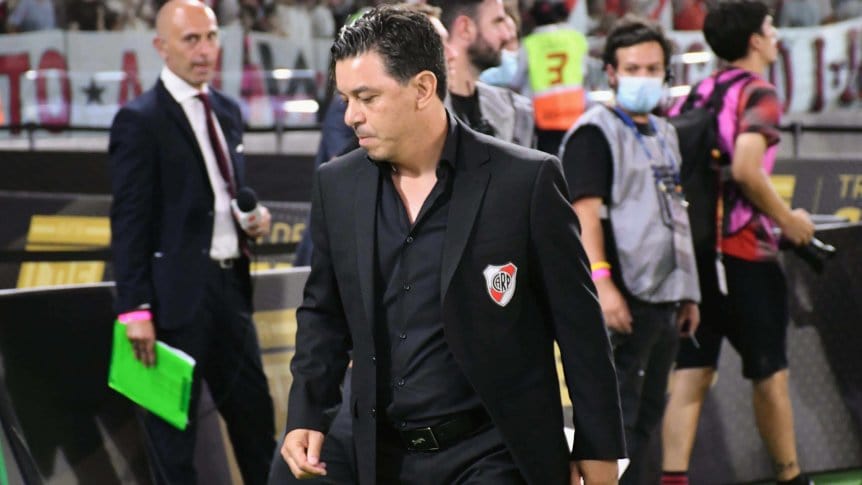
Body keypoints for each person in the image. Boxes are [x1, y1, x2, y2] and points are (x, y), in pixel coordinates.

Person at [281, 6, 625, 485]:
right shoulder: (337, 185)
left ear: (423, 88)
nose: (351, 116)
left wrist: (599, 449)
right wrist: (307, 411)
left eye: (367, 97)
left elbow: (579, 327)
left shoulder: (525, 181)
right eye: (345, 98)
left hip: (497, 452)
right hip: (383, 457)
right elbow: (323, 312)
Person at [108, 1, 276, 483]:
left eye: (211, 36)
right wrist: (135, 309)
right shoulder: (139, 120)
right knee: (172, 448)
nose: (205, 50)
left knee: (257, 429)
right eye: (191, 39)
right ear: (161, 47)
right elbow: (129, 222)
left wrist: (251, 221)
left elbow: (222, 197)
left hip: (231, 294)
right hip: (170, 306)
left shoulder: (228, 110)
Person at [660, 2, 815, 485]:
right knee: (770, 373)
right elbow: (747, 169)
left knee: (692, 372)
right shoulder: (758, 92)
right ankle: (791, 479)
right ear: (755, 40)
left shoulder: (695, 93)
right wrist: (788, 220)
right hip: (745, 252)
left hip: (695, 255)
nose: (776, 36)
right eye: (770, 28)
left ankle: (672, 479)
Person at [559, 15, 700, 485]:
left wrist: (688, 292)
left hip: (665, 296)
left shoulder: (666, 133)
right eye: (633, 68)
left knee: (647, 418)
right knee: (615, 425)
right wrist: (602, 283)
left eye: (653, 68)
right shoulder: (593, 132)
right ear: (612, 73)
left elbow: (674, 215)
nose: (644, 77)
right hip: (624, 296)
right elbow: (583, 214)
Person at [434, 0, 535, 147]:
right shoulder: (427, 117)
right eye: (497, 22)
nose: (506, 35)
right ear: (465, 28)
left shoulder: (514, 111)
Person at [516, 0, 588, 155]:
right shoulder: (576, 38)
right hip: (574, 111)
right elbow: (585, 73)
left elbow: (515, 79)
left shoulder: (530, 43)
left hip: (543, 116)